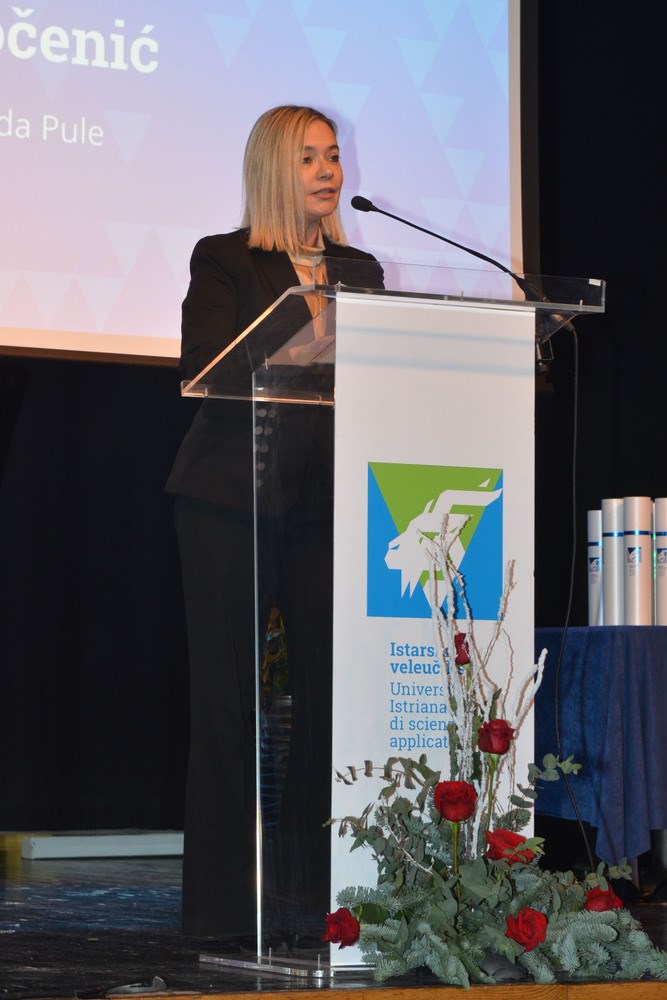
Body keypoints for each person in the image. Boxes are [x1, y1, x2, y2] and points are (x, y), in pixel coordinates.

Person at [166, 105, 382, 944]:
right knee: (228, 702)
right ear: (271, 170)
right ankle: (222, 914)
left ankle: (326, 897)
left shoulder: (359, 268)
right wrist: (309, 313)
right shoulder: (225, 260)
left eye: (333, 156)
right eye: (308, 159)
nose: (328, 172)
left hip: (327, 501)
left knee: (333, 701)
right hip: (228, 497)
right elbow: (206, 367)